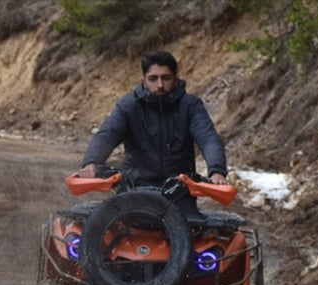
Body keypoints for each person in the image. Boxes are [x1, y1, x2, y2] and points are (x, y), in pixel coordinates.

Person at [78, 50, 228, 217]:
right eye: (153, 78)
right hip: (134, 189)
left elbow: (208, 137)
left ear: (176, 79)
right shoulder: (128, 105)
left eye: (166, 78)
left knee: (197, 236)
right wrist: (91, 162)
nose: (160, 85)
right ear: (143, 81)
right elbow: (107, 135)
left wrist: (217, 171)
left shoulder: (190, 106)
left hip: (179, 191)